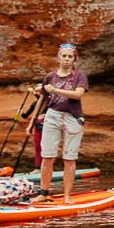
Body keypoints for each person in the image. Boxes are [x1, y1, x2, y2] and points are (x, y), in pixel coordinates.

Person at [29, 42, 89, 202]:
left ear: (74, 59)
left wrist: (55, 90)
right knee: (47, 156)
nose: (67, 59)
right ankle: (43, 193)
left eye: (70, 57)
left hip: (72, 117)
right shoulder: (50, 76)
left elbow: (78, 94)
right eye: (64, 56)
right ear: (58, 57)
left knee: (69, 158)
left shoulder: (79, 76)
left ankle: (67, 195)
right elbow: (42, 99)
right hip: (52, 115)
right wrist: (32, 122)